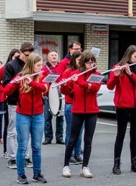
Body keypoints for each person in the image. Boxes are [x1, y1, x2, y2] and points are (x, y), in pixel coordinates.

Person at [4, 53, 48, 184]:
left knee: (37, 146)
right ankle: (21, 175)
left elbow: (45, 89)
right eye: (38, 65)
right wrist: (16, 82)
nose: (41, 68)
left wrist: (32, 83)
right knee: (22, 146)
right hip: (23, 115)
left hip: (38, 115)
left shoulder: (41, 76)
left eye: (41, 65)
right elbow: (6, 91)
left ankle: (37, 173)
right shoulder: (21, 77)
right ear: (31, 65)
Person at [106, 45, 136, 175]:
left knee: (134, 135)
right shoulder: (117, 67)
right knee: (121, 134)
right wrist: (116, 76)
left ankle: (134, 163)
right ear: (128, 56)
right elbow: (109, 86)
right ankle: (116, 164)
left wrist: (131, 74)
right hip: (123, 106)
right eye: (135, 56)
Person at [62, 50, 101, 179]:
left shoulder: (97, 75)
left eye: (93, 62)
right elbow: (66, 91)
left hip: (92, 111)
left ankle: (85, 167)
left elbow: (94, 88)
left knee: (88, 140)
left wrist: (80, 82)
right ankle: (66, 166)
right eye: (88, 63)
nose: (91, 65)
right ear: (83, 63)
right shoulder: (75, 74)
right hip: (77, 110)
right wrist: (66, 83)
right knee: (72, 139)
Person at [2, 42, 34, 169]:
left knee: (27, 132)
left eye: (30, 56)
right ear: (21, 52)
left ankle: (25, 156)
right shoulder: (11, 66)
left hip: (28, 102)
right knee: (12, 131)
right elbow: (6, 85)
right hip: (14, 102)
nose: (28, 58)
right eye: (26, 55)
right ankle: (12, 157)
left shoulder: (31, 65)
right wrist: (19, 79)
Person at [59, 50, 84, 165]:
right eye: (78, 60)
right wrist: (66, 85)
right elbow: (65, 90)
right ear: (74, 60)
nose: (80, 62)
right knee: (71, 131)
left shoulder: (84, 72)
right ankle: (69, 154)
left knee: (80, 131)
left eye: (82, 60)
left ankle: (77, 153)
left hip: (82, 104)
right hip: (71, 103)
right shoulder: (68, 72)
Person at [42, 50, 64, 145]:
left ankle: (60, 138)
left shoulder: (62, 67)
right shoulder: (44, 68)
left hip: (60, 94)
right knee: (47, 117)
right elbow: (42, 79)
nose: (54, 56)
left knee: (60, 117)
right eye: (52, 55)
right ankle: (48, 138)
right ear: (48, 58)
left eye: (56, 55)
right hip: (48, 95)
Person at [0, 49, 19, 158]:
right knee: (9, 125)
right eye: (15, 56)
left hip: (18, 100)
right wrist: (4, 91)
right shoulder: (6, 68)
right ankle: (7, 150)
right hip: (8, 99)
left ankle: (17, 151)